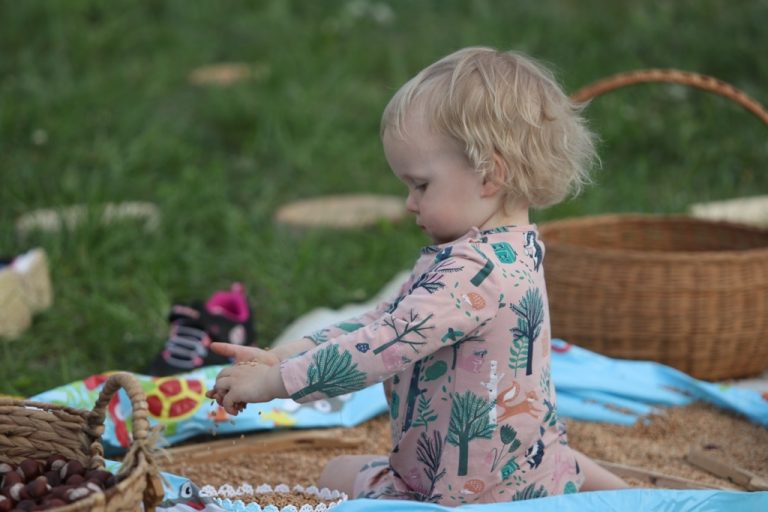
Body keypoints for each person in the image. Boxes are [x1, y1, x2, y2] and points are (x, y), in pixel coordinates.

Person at [207, 46, 628, 504]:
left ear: (490, 175)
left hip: (458, 493)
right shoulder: (515, 248)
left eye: (421, 185)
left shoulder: (472, 274)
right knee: (557, 454)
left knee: (335, 473)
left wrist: (276, 383)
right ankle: (631, 497)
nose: (410, 203)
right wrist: (284, 356)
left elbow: (383, 345)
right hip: (531, 465)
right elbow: (385, 318)